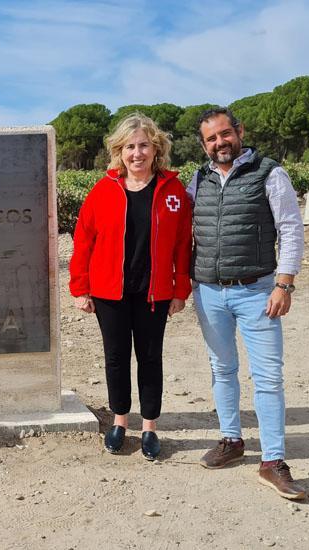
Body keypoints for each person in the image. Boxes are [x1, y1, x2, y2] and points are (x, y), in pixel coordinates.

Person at [188, 107, 306, 500]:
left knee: (268, 377)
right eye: (211, 138)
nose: (220, 143)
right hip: (208, 291)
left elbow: (291, 229)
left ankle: (272, 461)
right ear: (203, 144)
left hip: (258, 291)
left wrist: (284, 284)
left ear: (240, 131)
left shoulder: (269, 173)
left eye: (225, 134)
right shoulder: (198, 179)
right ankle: (231, 441)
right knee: (222, 368)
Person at [69, 113, 192, 461]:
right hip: (110, 292)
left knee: (150, 359)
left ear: (156, 149)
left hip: (154, 292)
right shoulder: (103, 190)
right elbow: (84, 240)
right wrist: (81, 287)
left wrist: (180, 289)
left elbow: (184, 244)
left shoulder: (173, 191)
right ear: (119, 151)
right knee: (116, 358)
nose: (136, 153)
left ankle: (150, 427)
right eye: (129, 147)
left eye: (143, 145)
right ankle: (120, 422)